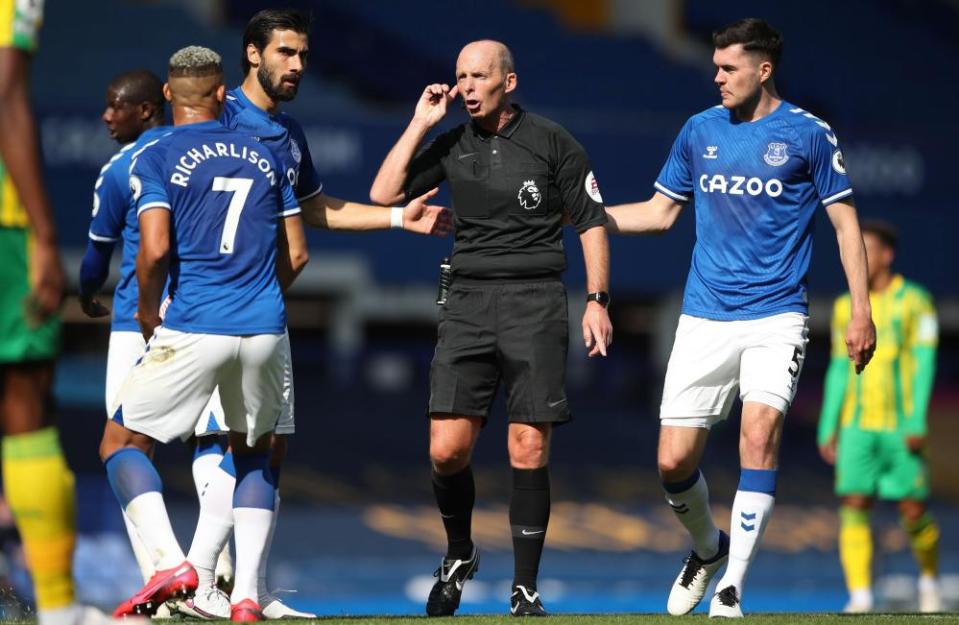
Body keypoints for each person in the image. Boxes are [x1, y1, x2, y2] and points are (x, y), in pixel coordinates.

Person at [179, 9, 451, 618]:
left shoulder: (287, 133)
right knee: (227, 437)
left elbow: (316, 208)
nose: (297, 65)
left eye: (303, 54)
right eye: (285, 53)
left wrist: (397, 217)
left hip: (260, 309)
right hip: (215, 307)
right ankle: (197, 582)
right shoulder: (213, 119)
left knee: (267, 445)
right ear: (253, 54)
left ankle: (250, 587)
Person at [604, 18, 876, 618]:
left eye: (729, 68)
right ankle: (707, 550)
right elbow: (658, 213)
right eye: (716, 66)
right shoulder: (699, 129)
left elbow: (845, 222)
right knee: (673, 461)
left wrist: (861, 310)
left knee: (759, 435)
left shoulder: (808, 134)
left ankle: (733, 588)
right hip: (704, 316)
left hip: (777, 316)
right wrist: (589, 218)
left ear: (764, 69)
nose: (717, 76)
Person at [370, 39, 612, 617]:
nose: (467, 87)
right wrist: (419, 122)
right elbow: (383, 195)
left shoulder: (553, 142)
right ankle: (459, 554)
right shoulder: (451, 143)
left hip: (536, 303)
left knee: (527, 445)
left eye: (479, 76)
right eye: (460, 77)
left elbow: (591, 221)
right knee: (447, 451)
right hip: (468, 303)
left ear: (509, 81)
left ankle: (525, 589)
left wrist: (598, 299)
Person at [97, 45, 304, 621]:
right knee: (255, 454)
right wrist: (261, 290)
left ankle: (169, 563)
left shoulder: (156, 154)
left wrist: (145, 311)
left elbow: (155, 248)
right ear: (221, 95)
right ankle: (246, 602)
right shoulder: (265, 154)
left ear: (167, 95)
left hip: (194, 321)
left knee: (121, 443)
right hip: (264, 324)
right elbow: (298, 252)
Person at [78, 69, 241, 615]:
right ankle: (213, 573)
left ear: (150, 107)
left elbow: (99, 255)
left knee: (125, 447)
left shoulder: (126, 165)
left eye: (115, 106)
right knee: (211, 440)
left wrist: (84, 293)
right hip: (208, 315)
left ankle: (163, 578)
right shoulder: (219, 153)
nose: (107, 116)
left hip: (135, 321)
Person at [0, 3, 120, 624]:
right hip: (4, 226)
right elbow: (5, 92)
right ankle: (57, 608)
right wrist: (45, 234)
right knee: (24, 406)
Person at [818, 220, 941, 613]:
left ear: (886, 255)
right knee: (853, 503)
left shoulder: (916, 301)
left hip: (900, 426)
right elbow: (839, 368)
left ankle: (928, 580)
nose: (859, 257)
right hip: (857, 427)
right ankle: (860, 596)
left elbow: (924, 363)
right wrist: (828, 425)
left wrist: (917, 420)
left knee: (912, 509)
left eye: (866, 249)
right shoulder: (844, 308)